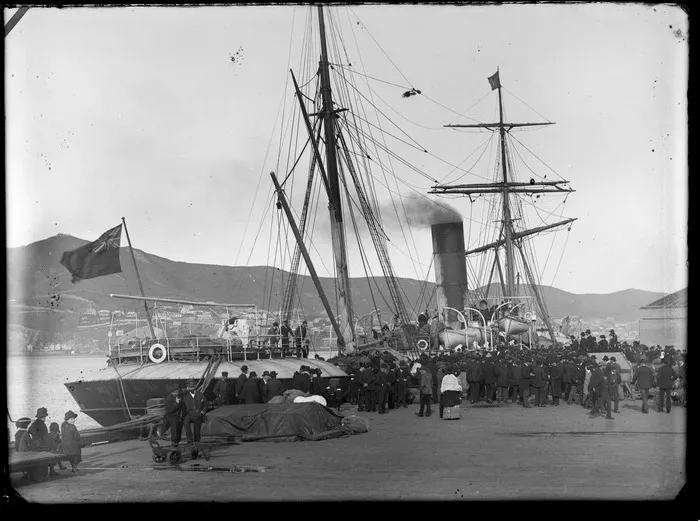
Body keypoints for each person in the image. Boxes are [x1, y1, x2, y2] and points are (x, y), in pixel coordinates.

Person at [182, 379, 208, 453]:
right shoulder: (185, 396)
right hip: (189, 414)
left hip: (198, 414)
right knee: (186, 421)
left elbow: (205, 404)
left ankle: (197, 442)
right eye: (190, 387)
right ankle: (189, 439)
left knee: (197, 428)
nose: (192, 388)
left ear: (195, 387)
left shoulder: (200, 394)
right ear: (187, 387)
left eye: (193, 387)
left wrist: (203, 412)